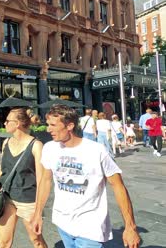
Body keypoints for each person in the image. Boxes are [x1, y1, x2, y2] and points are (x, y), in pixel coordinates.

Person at [31, 105, 141, 248]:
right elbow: (45, 181)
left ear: (70, 125)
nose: (48, 129)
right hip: (62, 222)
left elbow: (118, 185)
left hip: (90, 226)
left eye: (53, 125)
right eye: (47, 125)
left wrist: (130, 226)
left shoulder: (96, 150)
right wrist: (38, 213)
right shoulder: (49, 148)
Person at [0, 108, 47, 248]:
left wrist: (38, 210)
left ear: (17, 123)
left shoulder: (36, 146)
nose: (4, 123)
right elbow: (2, 169)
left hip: (28, 200)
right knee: (3, 242)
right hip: (6, 197)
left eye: (7, 121)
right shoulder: (6, 142)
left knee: (36, 241)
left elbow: (42, 180)